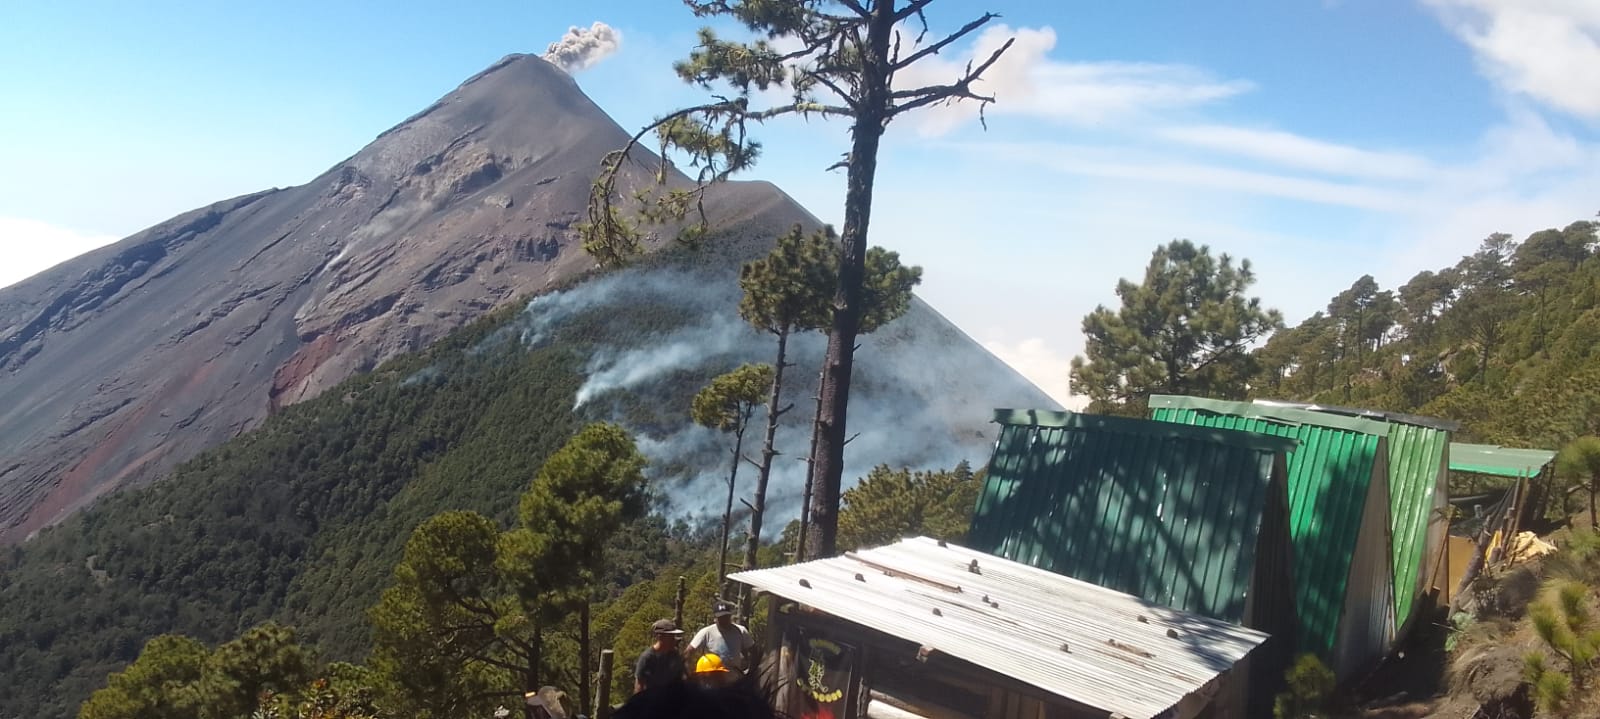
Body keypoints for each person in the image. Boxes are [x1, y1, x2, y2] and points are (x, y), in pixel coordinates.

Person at [686, 600, 756, 677]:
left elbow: (754, 651)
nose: (724, 620)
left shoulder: (740, 631)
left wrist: (751, 670)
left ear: (730, 616)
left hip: (735, 679)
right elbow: (689, 651)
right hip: (712, 678)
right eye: (721, 617)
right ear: (715, 618)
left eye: (726, 616)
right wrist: (690, 673)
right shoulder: (706, 632)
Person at [634, 619, 687, 695]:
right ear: (660, 637)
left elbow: (680, 679)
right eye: (671, 636)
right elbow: (639, 685)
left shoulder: (674, 655)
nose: (674, 639)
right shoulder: (647, 658)